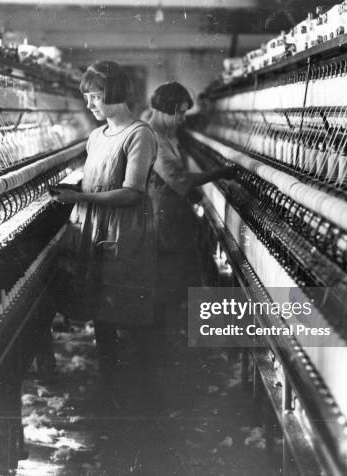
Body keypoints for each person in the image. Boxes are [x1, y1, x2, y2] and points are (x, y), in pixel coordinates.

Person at [50, 61, 158, 407]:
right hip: (94, 228)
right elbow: (94, 179)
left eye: (95, 96)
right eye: (87, 97)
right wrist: (71, 188)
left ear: (114, 94)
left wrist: (79, 197)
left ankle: (142, 399)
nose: (90, 104)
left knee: (125, 311)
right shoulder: (96, 137)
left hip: (122, 232)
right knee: (101, 312)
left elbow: (132, 192)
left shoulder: (139, 134)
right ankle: (111, 388)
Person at [147, 81, 235, 328]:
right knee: (171, 275)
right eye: (181, 112)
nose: (184, 119)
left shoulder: (159, 134)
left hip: (167, 213)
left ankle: (171, 329)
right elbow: (178, 178)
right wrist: (222, 173)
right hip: (162, 219)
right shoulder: (153, 137)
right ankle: (171, 334)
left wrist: (193, 193)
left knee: (173, 274)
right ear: (168, 109)